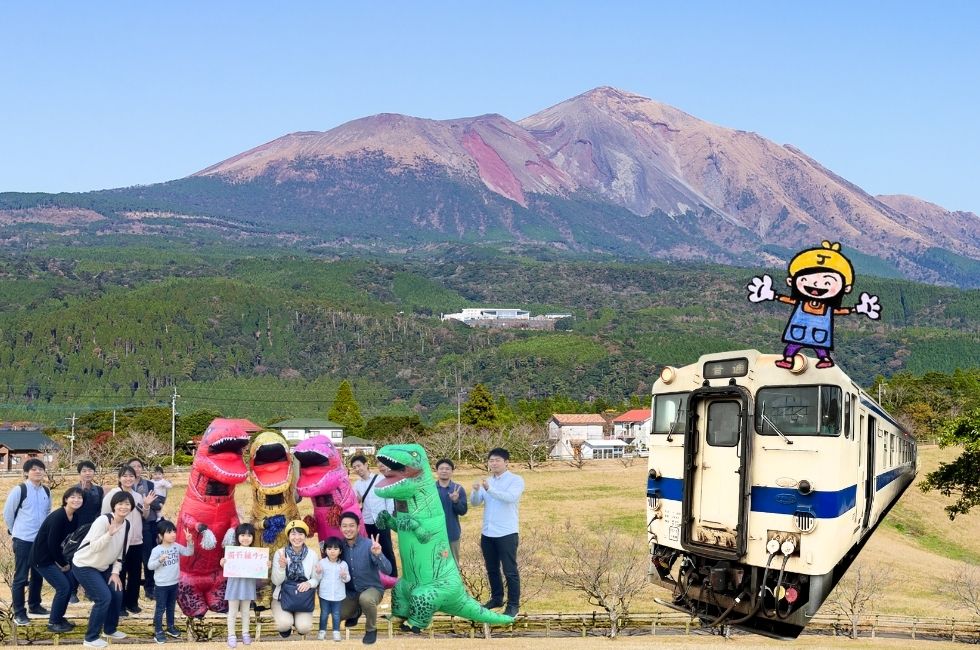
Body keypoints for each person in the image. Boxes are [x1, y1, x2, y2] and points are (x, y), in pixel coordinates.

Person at [72, 491, 133, 649]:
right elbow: (94, 547)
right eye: (120, 503)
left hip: (104, 567)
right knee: (103, 597)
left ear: (131, 507)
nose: (123, 507)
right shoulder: (103, 521)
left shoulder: (127, 525)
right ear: (114, 505)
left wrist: (115, 572)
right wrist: (109, 534)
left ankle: (109, 629)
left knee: (117, 591)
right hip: (85, 564)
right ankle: (91, 638)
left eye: (127, 504)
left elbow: (121, 553)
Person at [470, 447, 524, 618]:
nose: (493, 463)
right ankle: (497, 598)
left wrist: (489, 489)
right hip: (488, 532)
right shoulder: (487, 481)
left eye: (497, 460)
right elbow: (476, 503)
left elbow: (510, 498)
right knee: (491, 568)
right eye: (491, 460)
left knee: (510, 570)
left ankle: (513, 604)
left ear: (506, 462)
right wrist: (477, 490)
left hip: (507, 532)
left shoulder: (515, 480)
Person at [3, 457, 52, 626]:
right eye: (33, 469)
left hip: (40, 541)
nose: (38, 471)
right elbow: (8, 513)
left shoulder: (46, 490)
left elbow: (48, 513)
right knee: (21, 577)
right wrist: (14, 531)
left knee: (38, 575)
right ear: (26, 473)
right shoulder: (20, 489)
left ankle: (35, 605)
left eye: (40, 469)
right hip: (23, 539)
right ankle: (19, 612)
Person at [102, 465, 155, 614]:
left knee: (135, 574)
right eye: (125, 476)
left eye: (131, 476)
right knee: (119, 573)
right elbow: (104, 515)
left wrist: (146, 506)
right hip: (118, 541)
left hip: (136, 541)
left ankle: (132, 602)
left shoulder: (138, 496)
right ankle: (119, 605)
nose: (128, 479)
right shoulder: (113, 494)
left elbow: (144, 516)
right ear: (119, 478)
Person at [29, 486, 83, 633]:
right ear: (65, 499)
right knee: (63, 587)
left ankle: (59, 617)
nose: (76, 500)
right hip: (42, 558)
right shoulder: (58, 516)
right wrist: (63, 563)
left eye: (79, 497)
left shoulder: (75, 517)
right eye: (72, 497)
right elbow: (52, 543)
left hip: (55, 556)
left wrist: (64, 561)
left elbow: (66, 541)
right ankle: (53, 622)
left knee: (70, 583)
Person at [338, 512, 392, 646]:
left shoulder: (369, 545)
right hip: (351, 593)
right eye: (344, 526)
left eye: (351, 526)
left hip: (371, 589)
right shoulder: (339, 547)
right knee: (338, 614)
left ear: (358, 527)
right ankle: (356, 611)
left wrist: (379, 554)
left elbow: (388, 570)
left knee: (366, 599)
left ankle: (371, 629)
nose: (348, 529)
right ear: (340, 528)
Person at [270, 520, 320, 638]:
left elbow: (316, 579)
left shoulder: (312, 555)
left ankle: (298, 622)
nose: (297, 537)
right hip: (282, 598)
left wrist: (309, 583)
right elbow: (276, 581)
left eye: (300, 534)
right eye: (293, 534)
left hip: (303, 598)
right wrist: (282, 568)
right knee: (284, 624)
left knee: (304, 627)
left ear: (305, 536)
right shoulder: (281, 553)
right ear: (288, 536)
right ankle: (287, 622)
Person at [146, 520, 194, 644]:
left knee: (171, 607)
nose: (173, 534)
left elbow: (189, 552)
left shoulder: (176, 546)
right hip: (161, 585)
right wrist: (159, 561)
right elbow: (150, 566)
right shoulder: (157, 550)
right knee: (160, 608)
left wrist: (189, 542)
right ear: (161, 536)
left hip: (174, 583)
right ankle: (158, 631)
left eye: (174, 531)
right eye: (169, 532)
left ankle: (170, 627)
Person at [351, 454, 397, 577]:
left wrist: (388, 516)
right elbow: (356, 502)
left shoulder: (380, 479)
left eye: (359, 465)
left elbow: (389, 498)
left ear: (366, 464)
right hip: (367, 521)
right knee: (371, 548)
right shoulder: (356, 485)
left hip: (382, 519)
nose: (357, 469)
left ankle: (392, 575)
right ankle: (378, 575)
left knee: (387, 548)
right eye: (354, 467)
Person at [221, 523, 262, 648]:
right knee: (232, 611)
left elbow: (259, 569)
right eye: (242, 535)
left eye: (249, 535)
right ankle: (231, 635)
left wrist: (265, 564)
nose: (246, 538)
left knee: (245, 611)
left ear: (253, 538)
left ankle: (245, 633)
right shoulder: (232, 552)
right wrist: (223, 563)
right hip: (234, 585)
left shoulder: (257, 553)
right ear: (237, 536)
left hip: (248, 585)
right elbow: (226, 565)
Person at [71, 460, 104, 603]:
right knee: (75, 559)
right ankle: (72, 591)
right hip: (77, 529)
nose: (87, 473)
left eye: (90, 470)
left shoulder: (99, 490)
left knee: (92, 560)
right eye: (84, 471)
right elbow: (71, 509)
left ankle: (90, 591)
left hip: (94, 529)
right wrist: (82, 494)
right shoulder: (74, 490)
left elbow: (101, 510)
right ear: (79, 473)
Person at [129, 458, 160, 600]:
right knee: (131, 558)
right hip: (130, 525)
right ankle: (131, 587)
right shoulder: (125, 483)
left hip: (147, 525)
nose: (136, 468)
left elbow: (158, 504)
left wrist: (145, 500)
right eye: (133, 466)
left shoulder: (149, 484)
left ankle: (149, 587)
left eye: (139, 466)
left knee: (148, 557)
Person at [314, 537, 350, 641]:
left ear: (340, 551)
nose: (332, 551)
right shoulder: (322, 563)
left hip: (338, 595)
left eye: (335, 549)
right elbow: (318, 579)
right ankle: (322, 631)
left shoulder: (343, 564)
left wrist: (344, 576)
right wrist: (319, 572)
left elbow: (347, 579)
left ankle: (336, 632)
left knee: (336, 614)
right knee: (324, 614)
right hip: (324, 594)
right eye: (329, 549)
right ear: (325, 550)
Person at [434, 458, 468, 563]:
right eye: (441, 468)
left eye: (447, 469)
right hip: (434, 535)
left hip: (452, 533)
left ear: (452, 471)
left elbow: (463, 511)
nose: (444, 471)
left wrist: (456, 501)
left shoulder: (458, 489)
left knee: (453, 565)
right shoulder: (430, 489)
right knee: (435, 565)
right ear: (437, 471)